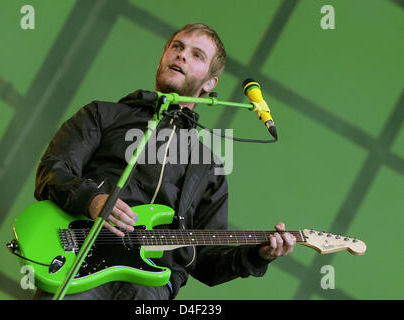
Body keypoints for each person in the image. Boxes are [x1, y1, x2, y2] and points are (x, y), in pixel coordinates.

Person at [33, 23, 296, 300]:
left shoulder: (208, 166)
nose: (182, 55)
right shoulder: (103, 114)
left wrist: (258, 255)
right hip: (80, 264)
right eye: (177, 47)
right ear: (163, 55)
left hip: (150, 289)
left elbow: (207, 263)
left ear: (209, 83)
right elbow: (51, 171)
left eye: (197, 55)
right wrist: (92, 199)